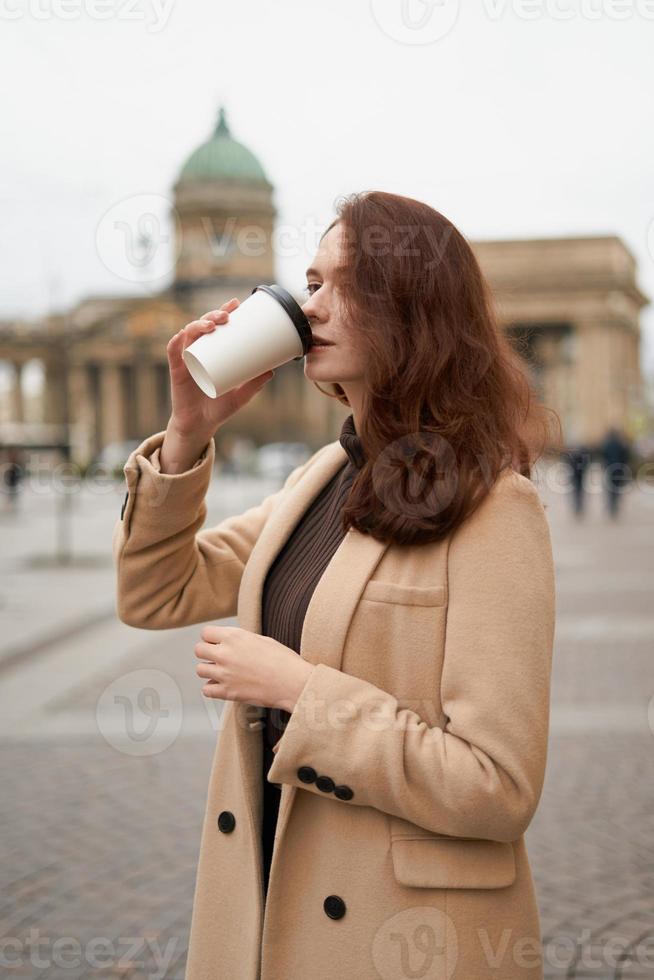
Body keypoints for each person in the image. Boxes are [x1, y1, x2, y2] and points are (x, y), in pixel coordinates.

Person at [113, 190, 559, 980]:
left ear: (412, 307)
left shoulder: (496, 507)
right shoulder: (323, 478)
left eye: (336, 285)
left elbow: (497, 785)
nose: (304, 306)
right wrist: (189, 434)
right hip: (269, 900)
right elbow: (159, 592)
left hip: (401, 935)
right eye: (308, 281)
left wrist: (297, 690)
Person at [599, 426, 631, 520]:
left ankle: (611, 505)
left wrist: (605, 465)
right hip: (619, 468)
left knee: (610, 488)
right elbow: (626, 456)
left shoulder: (607, 444)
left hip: (610, 467)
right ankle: (615, 504)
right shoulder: (621, 443)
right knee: (617, 487)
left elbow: (603, 455)